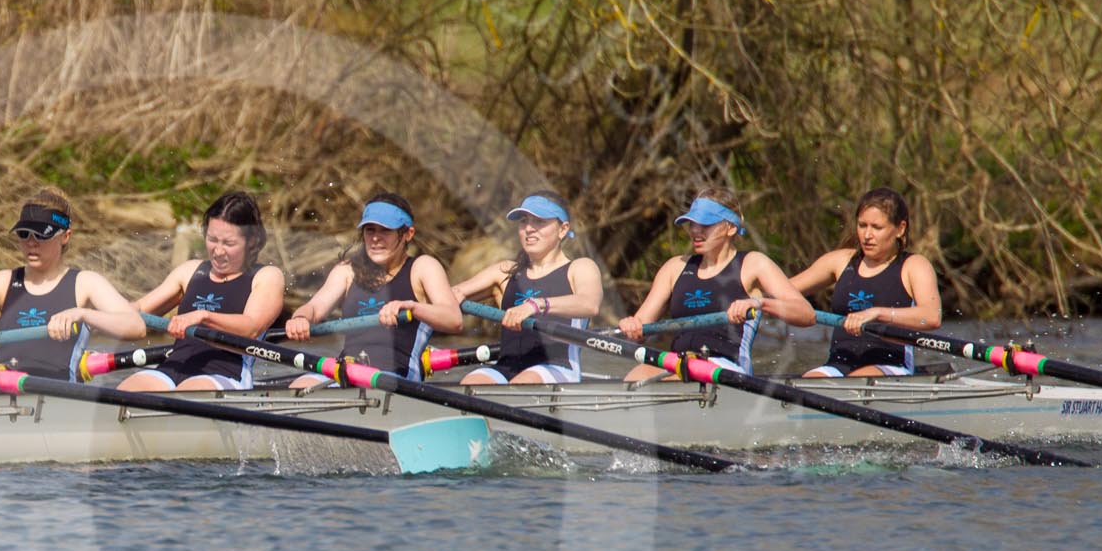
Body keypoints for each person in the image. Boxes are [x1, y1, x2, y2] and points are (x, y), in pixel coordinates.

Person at [614, 189, 814, 380]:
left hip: (725, 366)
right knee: (637, 375)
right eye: (692, 224)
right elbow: (641, 326)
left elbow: (806, 314)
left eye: (705, 224)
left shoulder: (754, 264)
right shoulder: (674, 267)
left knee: (680, 375)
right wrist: (632, 326)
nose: (695, 231)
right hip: (678, 363)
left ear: (731, 227)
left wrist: (760, 304)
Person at [0, 188, 146, 378]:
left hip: (59, 394)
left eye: (42, 234)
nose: (31, 242)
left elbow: (136, 326)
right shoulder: (1, 282)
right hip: (4, 389)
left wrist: (83, 314)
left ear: (65, 237)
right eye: (24, 234)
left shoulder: (86, 283)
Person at [282, 192, 461, 388]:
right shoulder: (347, 271)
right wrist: (300, 318)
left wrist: (413, 308)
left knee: (370, 385)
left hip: (396, 379)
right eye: (370, 230)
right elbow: (315, 308)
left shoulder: (423, 267)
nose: (375, 238)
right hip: (347, 372)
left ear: (408, 234)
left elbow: (453, 319)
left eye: (385, 230)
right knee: (300, 385)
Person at [119, 190, 285, 392]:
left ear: (251, 241)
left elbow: (251, 328)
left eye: (229, 243)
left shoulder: (266, 276)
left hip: (225, 373)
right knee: (126, 390)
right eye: (212, 239)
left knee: (189, 393)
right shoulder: (190, 271)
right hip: (172, 368)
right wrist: (91, 311)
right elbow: (139, 309)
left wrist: (203, 317)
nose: (218, 250)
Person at [449, 192, 602, 385]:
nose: (529, 229)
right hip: (506, 367)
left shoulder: (580, 268)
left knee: (522, 383)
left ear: (563, 229)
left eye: (539, 221)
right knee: (472, 383)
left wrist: (535, 306)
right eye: (524, 221)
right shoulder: (504, 272)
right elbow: (450, 296)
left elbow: (590, 304)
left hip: (557, 368)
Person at [788, 188, 942, 378]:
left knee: (857, 381)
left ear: (900, 229)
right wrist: (753, 300)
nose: (867, 235)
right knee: (809, 381)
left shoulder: (914, 266)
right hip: (838, 365)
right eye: (862, 225)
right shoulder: (840, 261)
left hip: (891, 365)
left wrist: (877, 313)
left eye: (877, 228)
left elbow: (931, 316)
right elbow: (782, 290)